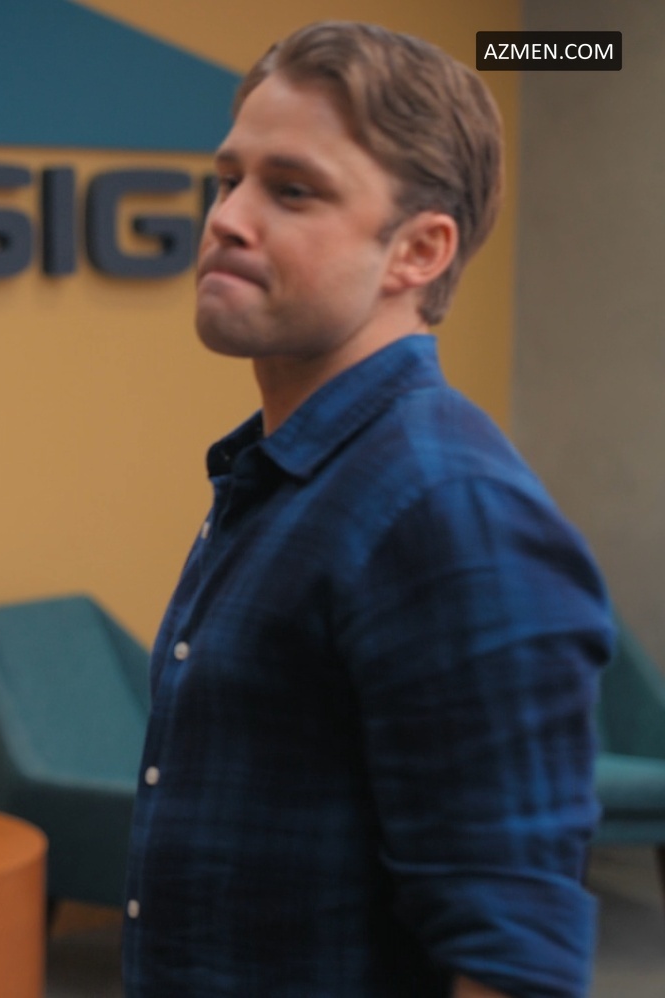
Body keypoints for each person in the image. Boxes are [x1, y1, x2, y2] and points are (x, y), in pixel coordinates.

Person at [123, 21, 612, 998]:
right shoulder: (282, 473)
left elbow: (512, 956)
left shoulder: (447, 507)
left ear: (419, 250)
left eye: (293, 190)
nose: (228, 218)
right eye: (230, 179)